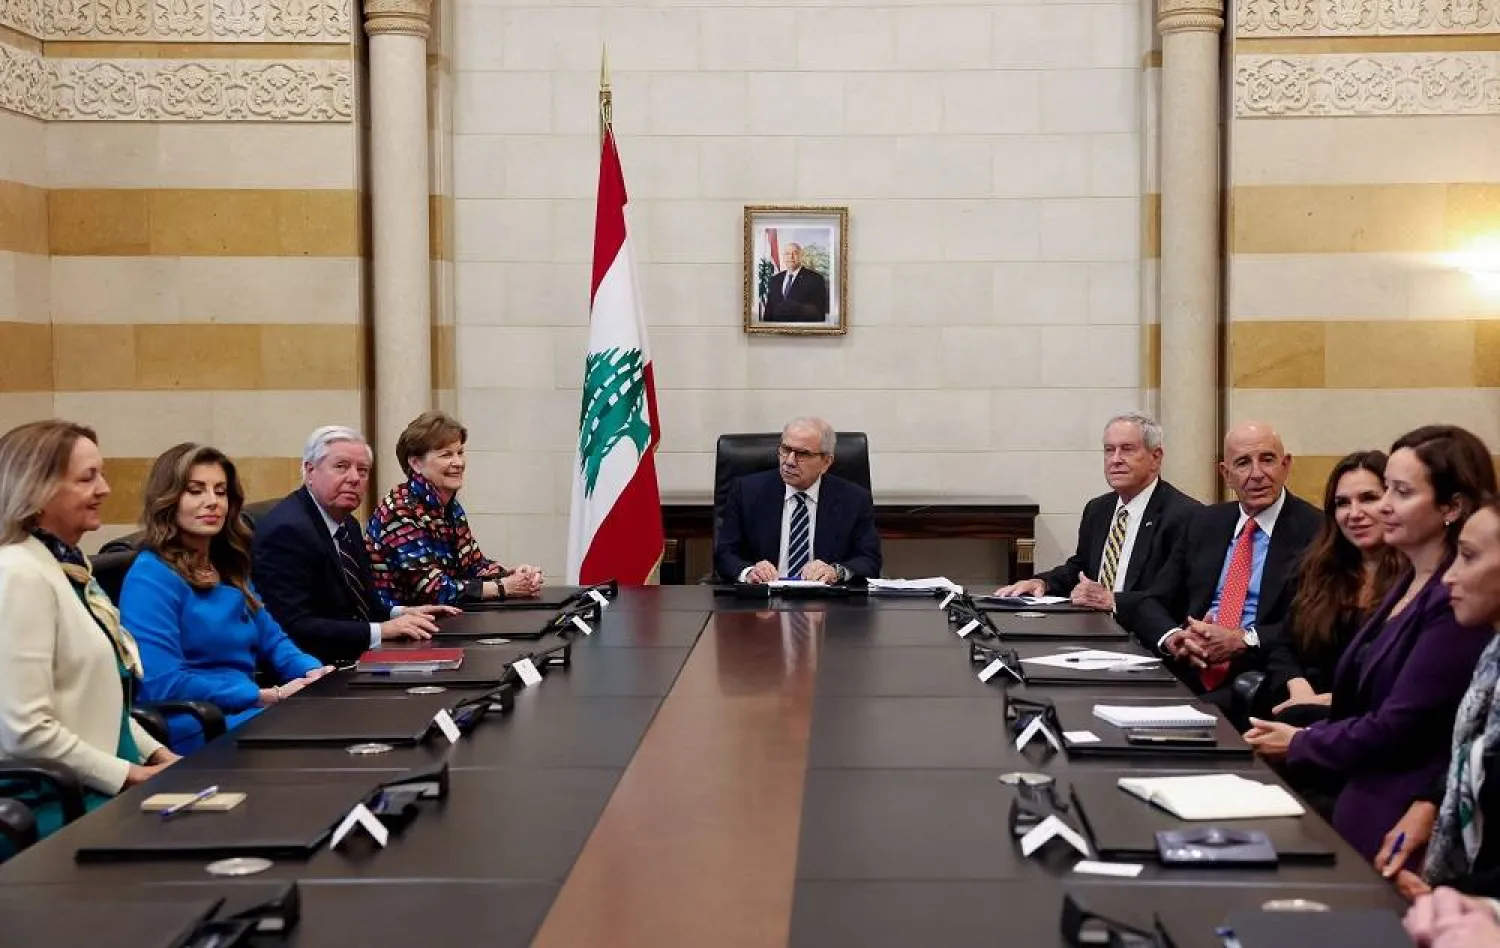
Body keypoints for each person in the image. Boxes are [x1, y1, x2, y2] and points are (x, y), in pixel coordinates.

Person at [1243, 425, 1496, 864]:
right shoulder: (1407, 581)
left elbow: (1403, 728)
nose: (1383, 508)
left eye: (1398, 493)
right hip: (1356, 790)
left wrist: (1301, 742)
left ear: (1451, 506)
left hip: (1393, 812)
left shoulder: (1454, 598)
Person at [0, 421, 178, 839]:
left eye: (102, 474)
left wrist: (156, 753)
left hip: (99, 785)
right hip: (56, 804)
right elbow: (25, 733)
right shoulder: (18, 573)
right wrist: (131, 775)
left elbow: (97, 698)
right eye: (87, 478)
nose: (105, 489)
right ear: (37, 490)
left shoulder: (67, 563)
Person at [120, 444, 332, 750]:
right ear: (168, 500)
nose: (212, 502)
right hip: (199, 725)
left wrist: (313, 672)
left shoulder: (227, 568)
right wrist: (263, 695)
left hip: (251, 712)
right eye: (196, 491)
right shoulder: (151, 576)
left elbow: (273, 641)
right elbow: (162, 683)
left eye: (220, 492)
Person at [1128, 421, 1322, 711]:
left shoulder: (1316, 530)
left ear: (1286, 464)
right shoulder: (1204, 522)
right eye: (1243, 463)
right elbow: (1152, 600)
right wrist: (1174, 637)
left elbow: (1312, 624)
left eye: (1267, 459)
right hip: (1190, 665)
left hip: (1259, 674)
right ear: (1225, 474)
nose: (1257, 474)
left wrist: (1244, 638)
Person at [1378, 496, 1500, 904]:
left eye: (1468, 557)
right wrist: (1430, 801)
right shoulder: (1493, 658)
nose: (1450, 577)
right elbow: (1470, 754)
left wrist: (1452, 898)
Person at [253, 425, 457, 664]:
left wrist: (402, 613)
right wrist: (383, 631)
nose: (354, 478)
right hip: (316, 670)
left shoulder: (347, 523)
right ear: (310, 471)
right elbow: (294, 626)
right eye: (341, 467)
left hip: (355, 656)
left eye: (362, 470)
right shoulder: (288, 530)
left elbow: (358, 605)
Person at [996, 412, 1199, 619]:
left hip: (1143, 637)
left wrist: (1112, 601)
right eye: (1109, 450)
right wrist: (1041, 583)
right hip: (1092, 627)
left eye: (1127, 450)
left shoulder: (1185, 516)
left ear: (1155, 457)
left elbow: (1174, 596)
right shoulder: (1098, 508)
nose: (1115, 460)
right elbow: (1081, 568)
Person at [1263, 450, 1405, 724]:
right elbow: (1283, 645)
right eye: (1342, 503)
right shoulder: (1318, 569)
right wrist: (1297, 685)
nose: (1354, 514)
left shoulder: (1415, 580)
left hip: (1368, 718)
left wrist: (1333, 700)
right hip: (1299, 705)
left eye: (1368, 499)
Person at [367, 411, 544, 609]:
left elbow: (474, 566)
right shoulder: (399, 511)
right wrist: (503, 587)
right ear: (415, 463)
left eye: (460, 452)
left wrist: (514, 575)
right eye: (446, 455)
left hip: (446, 623)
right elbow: (432, 591)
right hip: (405, 631)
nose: (458, 463)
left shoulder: (450, 506)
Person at [713, 416, 881, 584]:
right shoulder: (746, 491)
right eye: (785, 449)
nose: (789, 461)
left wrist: (836, 572)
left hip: (827, 601)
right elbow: (725, 553)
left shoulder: (854, 499)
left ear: (826, 462)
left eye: (803, 454)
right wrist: (749, 572)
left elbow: (869, 560)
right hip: (763, 600)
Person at [762, 243, 829, 322]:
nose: (791, 257)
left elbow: (819, 313)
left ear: (801, 256)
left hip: (801, 331)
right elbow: (769, 311)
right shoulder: (775, 279)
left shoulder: (815, 279)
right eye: (787, 254)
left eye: (795, 253)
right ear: (783, 257)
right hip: (776, 330)